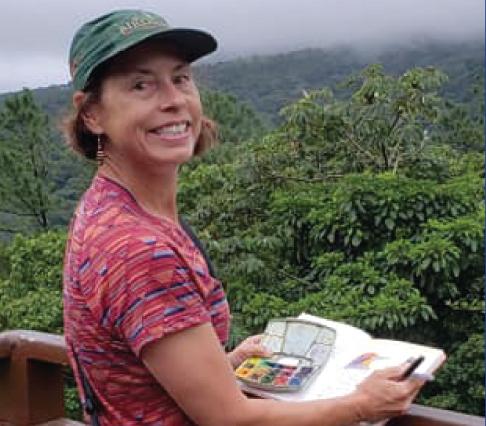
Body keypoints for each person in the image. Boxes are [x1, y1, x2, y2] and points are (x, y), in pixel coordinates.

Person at [62, 9, 424, 425]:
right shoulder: (137, 248)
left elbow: (129, 365)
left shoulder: (107, 206)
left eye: (180, 78)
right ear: (92, 114)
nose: (173, 99)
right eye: (141, 85)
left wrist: (218, 365)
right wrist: (361, 405)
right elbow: (230, 420)